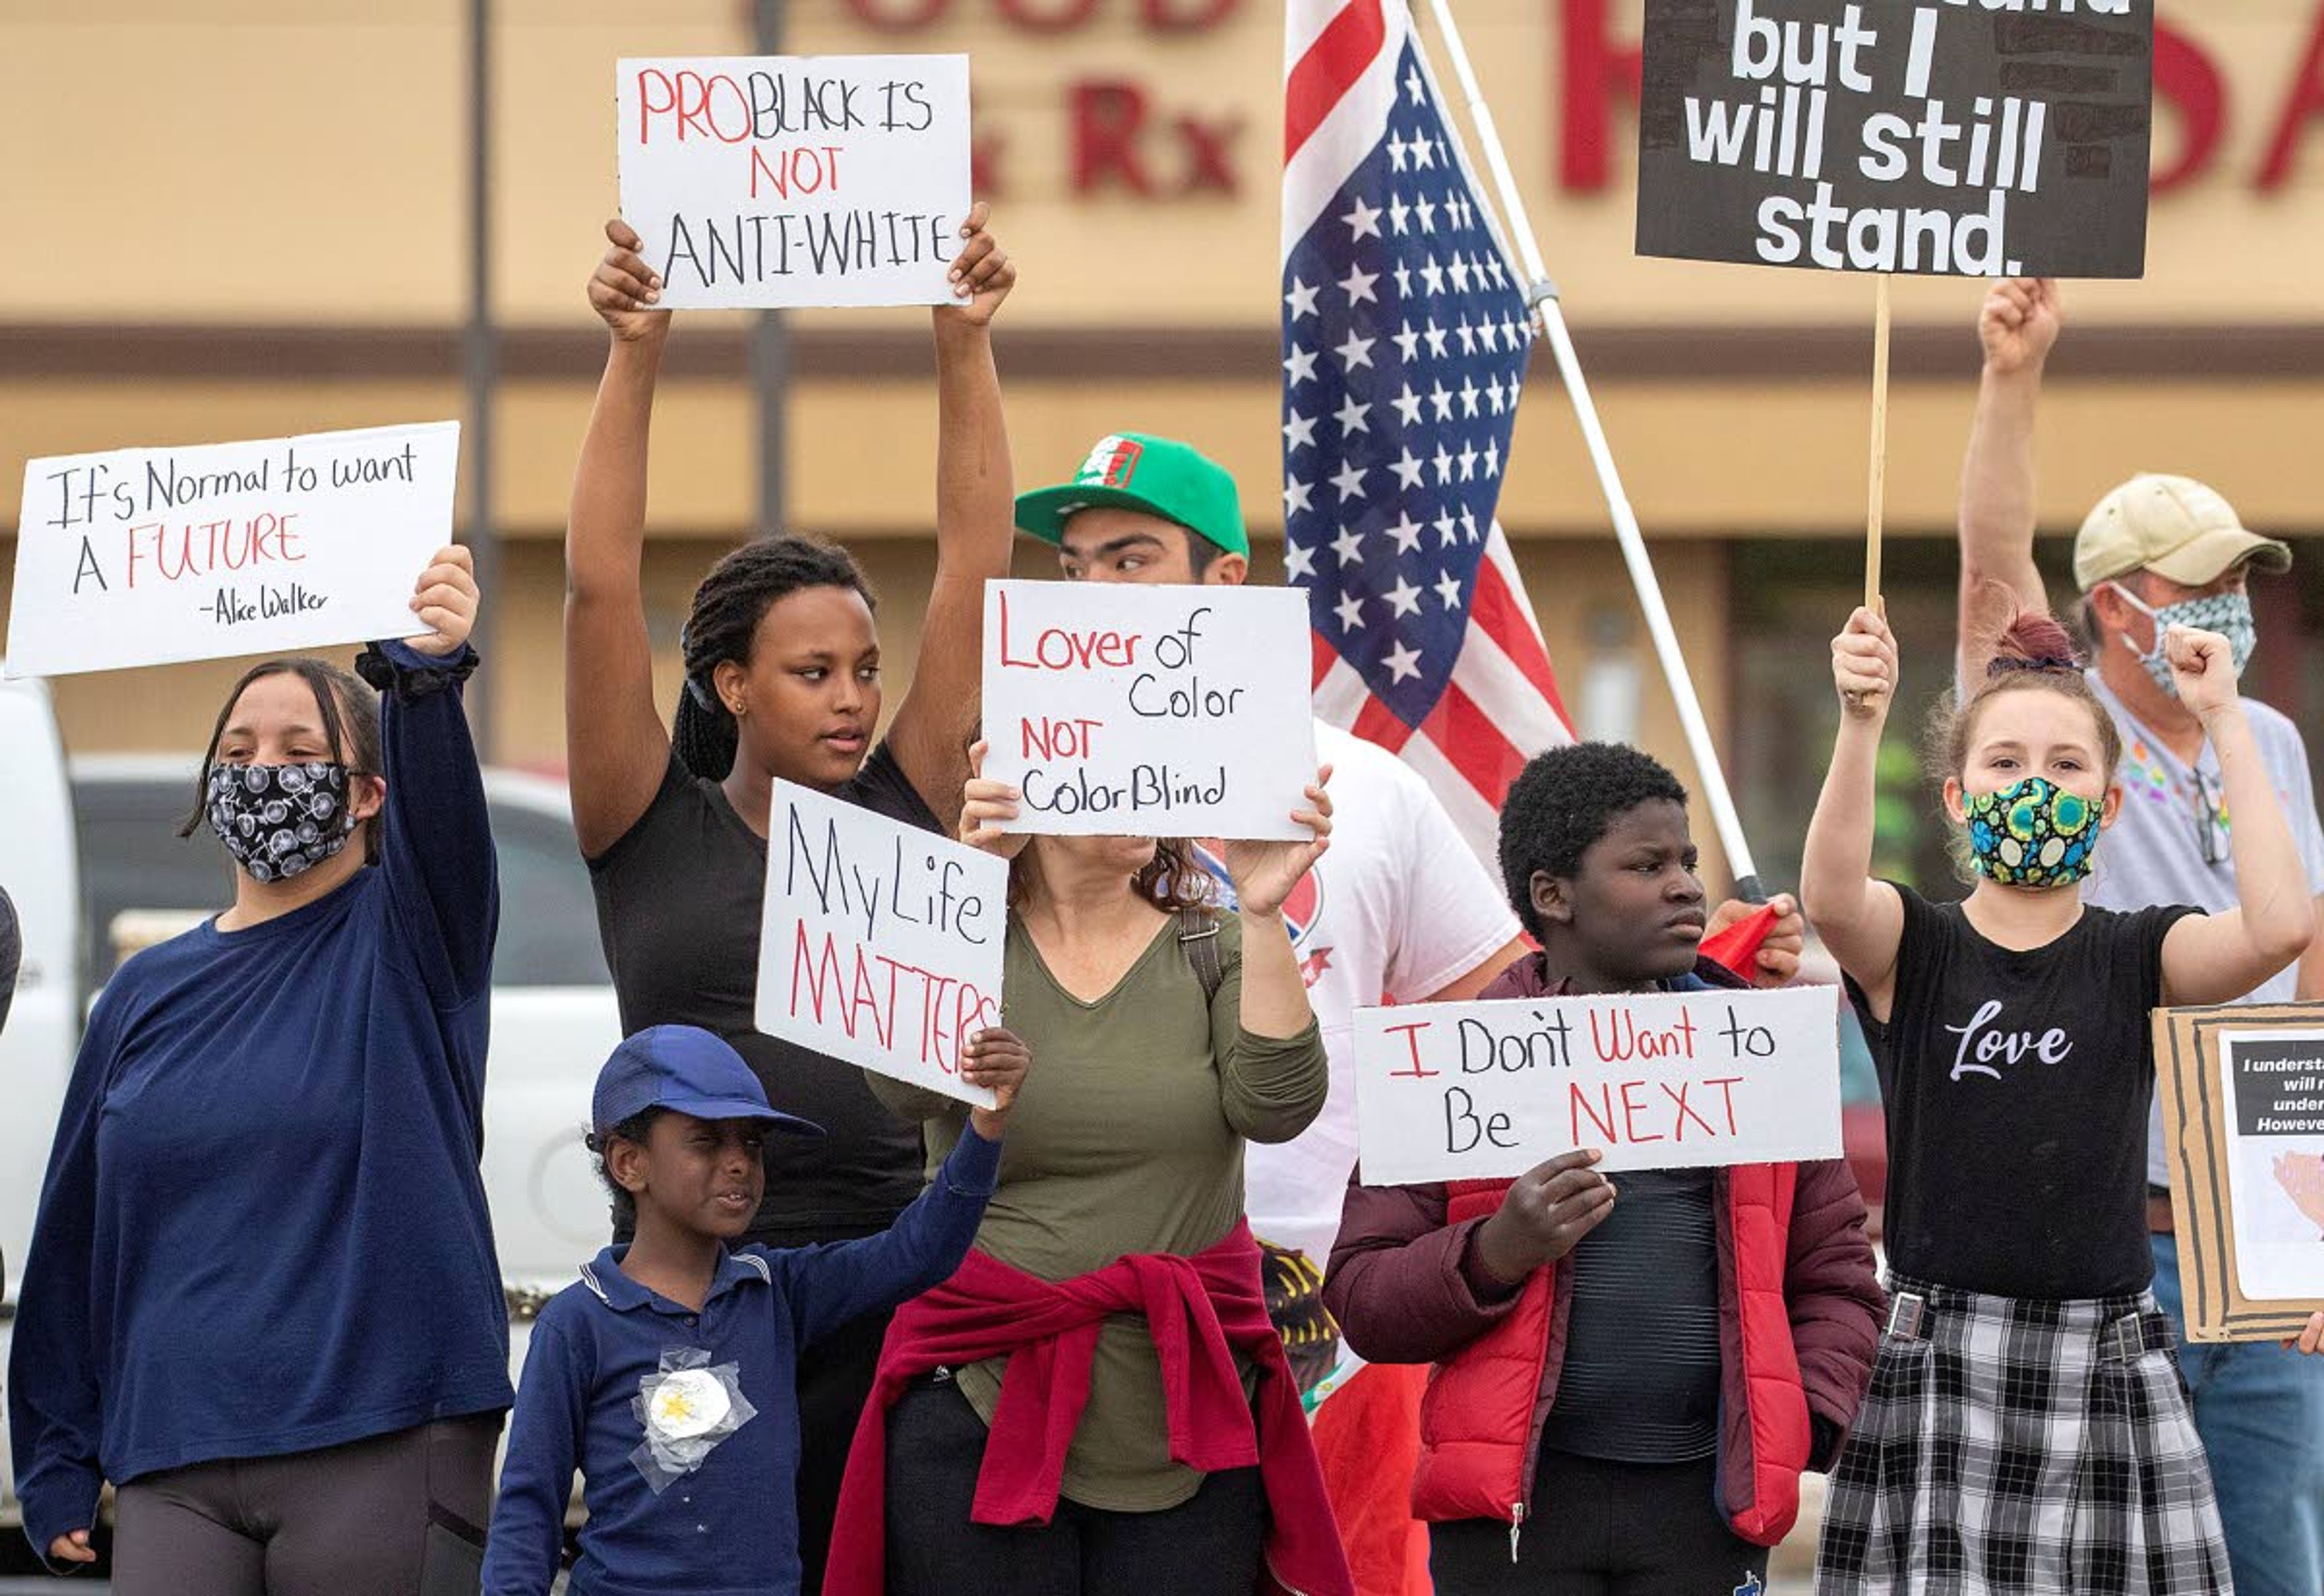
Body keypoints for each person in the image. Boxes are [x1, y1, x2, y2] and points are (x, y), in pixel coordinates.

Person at [1017, 429, 1807, 1586]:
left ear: (1225, 585)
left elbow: (1520, 1008)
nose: (1094, 592)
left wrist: (1717, 964)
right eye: (1075, 566)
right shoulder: (1022, 793)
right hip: (1080, 1280)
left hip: (1318, 1307)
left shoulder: (1368, 790)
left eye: (1129, 560)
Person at [567, 206, 1014, 1590]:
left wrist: (962, 344)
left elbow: (975, 562)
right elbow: (594, 585)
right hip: (691, 1303)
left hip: (884, 1285)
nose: (852, 696)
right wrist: (636, 354)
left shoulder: (901, 807)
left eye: (865, 668)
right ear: (727, 684)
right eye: (812, 670)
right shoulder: (644, 822)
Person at [10, 548, 508, 1593]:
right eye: (236, 749)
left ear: (370, 793)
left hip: (381, 1431)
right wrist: (56, 1449)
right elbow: (76, 1236)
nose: (261, 770)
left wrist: (420, 676)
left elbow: (448, 828)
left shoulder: (411, 941)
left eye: (296, 748)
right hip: (175, 1455)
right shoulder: (144, 994)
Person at [1804, 600, 2319, 1594]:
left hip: (2108, 1354)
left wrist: (2225, 718)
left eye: (2067, 764)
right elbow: (1831, 895)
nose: (2034, 783)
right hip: (1939, 1355)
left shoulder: (2139, 952)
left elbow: (2279, 927)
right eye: (2004, 763)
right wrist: (1861, 721)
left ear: (2110, 805)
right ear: (1957, 797)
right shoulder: (1916, 946)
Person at [1957, 276, 2324, 1596]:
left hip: (2264, 1228)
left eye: (2242, 580)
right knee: (2117, 1561)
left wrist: (2311, 1201)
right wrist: (2013, 380)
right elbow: (1996, 568)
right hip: (2119, 1219)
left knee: (2275, 1547)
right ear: (2119, 604)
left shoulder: (2266, 738)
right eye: (2203, 582)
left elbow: (2308, 952)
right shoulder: (2061, 738)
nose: (2230, 603)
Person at [1325, 742, 1882, 1594]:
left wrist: (1798, 1417)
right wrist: (1494, 1252)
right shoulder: (1456, 1062)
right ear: (1553, 896)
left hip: (1707, 1508)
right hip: (1514, 1519)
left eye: (1688, 862)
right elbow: (1364, 1296)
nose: (1686, 886)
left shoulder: (1757, 1052)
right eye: (1647, 864)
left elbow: (1839, 1275)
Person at [822, 750, 1353, 1596]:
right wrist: (964, 889)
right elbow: (899, 1087)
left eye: (1156, 764)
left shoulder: (1213, 942)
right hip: (974, 1397)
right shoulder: (966, 938)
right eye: (1110, 763)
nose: (1143, 785)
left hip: (1185, 1413)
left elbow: (1278, 1107)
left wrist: (1260, 909)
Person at [480, 1023, 1023, 1596]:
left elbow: (921, 1252)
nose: (739, 1162)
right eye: (708, 1140)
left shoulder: (776, 1291)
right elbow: (528, 1513)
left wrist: (987, 1126)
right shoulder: (578, 1323)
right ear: (628, 1162)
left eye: (752, 1143)